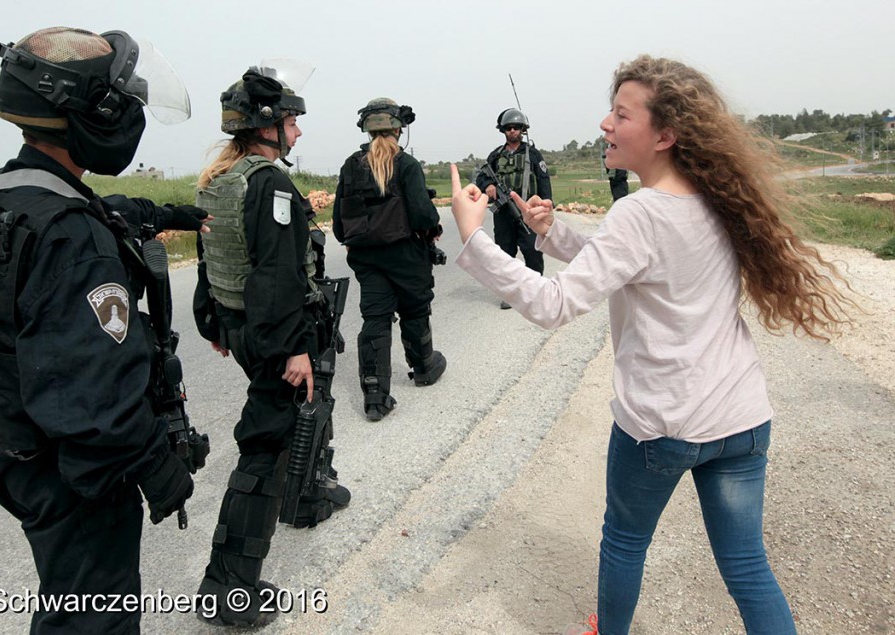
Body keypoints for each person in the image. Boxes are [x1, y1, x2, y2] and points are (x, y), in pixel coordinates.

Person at [449, 55, 857, 635]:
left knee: (623, 542)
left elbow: (553, 304)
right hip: (742, 422)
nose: (604, 125)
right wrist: (550, 230)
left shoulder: (638, 212)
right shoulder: (717, 198)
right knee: (746, 565)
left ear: (665, 135)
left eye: (620, 114)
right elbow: (640, 263)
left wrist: (473, 236)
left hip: (663, 427)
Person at [0, 26, 207, 634]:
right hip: (71, 468)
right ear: (93, 111)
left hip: (8, 444)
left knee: (66, 593)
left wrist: (176, 214)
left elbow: (111, 208)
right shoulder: (73, 238)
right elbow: (96, 403)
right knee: (93, 616)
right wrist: (159, 468)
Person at [192, 63, 351, 626]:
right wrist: (293, 349)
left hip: (244, 328)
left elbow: (212, 257)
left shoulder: (220, 179)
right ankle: (229, 586)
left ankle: (306, 498)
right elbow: (277, 273)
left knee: (299, 419)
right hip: (274, 334)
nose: (298, 133)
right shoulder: (269, 183)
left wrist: (213, 321)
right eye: (292, 122)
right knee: (265, 444)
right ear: (267, 127)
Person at [332, 98, 447, 421]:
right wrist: (432, 229)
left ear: (366, 129)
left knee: (375, 320)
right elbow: (423, 214)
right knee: (415, 310)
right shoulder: (406, 165)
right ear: (398, 129)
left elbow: (340, 225)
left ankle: (374, 395)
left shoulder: (351, 165)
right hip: (407, 256)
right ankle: (423, 367)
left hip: (368, 260)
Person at [472, 107, 552, 308]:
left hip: (527, 213)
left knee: (532, 252)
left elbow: (543, 181)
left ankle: (536, 292)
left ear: (523, 129)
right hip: (503, 214)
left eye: (516, 128)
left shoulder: (533, 154)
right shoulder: (495, 156)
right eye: (508, 128)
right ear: (503, 131)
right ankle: (509, 294)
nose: (512, 131)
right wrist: (488, 186)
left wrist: (546, 208)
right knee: (504, 255)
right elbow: (481, 176)